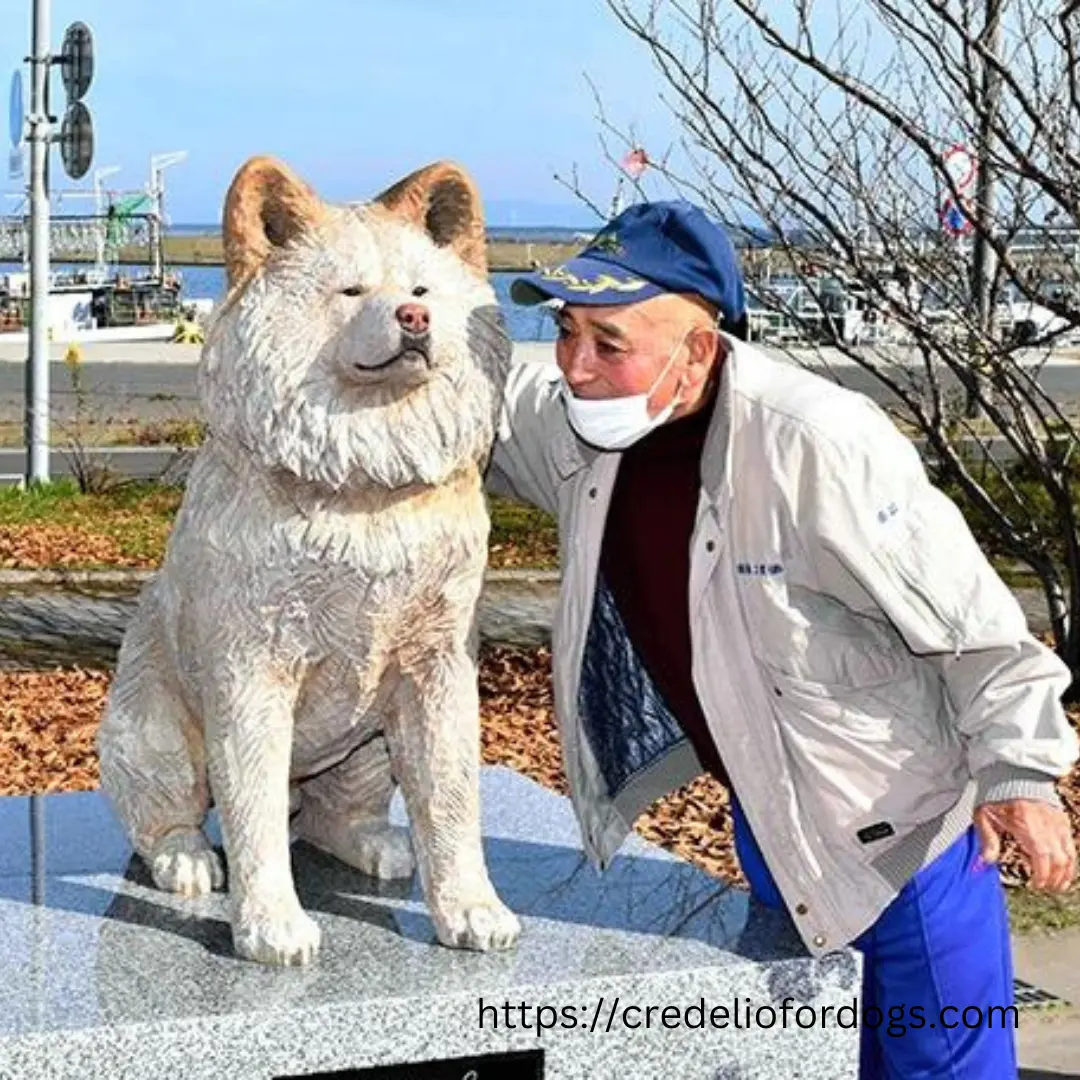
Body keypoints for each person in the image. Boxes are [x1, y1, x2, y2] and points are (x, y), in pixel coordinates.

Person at [484, 199, 1080, 1079]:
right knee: (825, 1061)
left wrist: (1022, 773)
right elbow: (472, 397)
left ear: (697, 346)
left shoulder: (818, 443)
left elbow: (975, 626)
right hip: (774, 823)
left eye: (609, 343)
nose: (574, 366)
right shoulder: (587, 434)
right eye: (565, 331)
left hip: (910, 847)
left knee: (943, 1069)